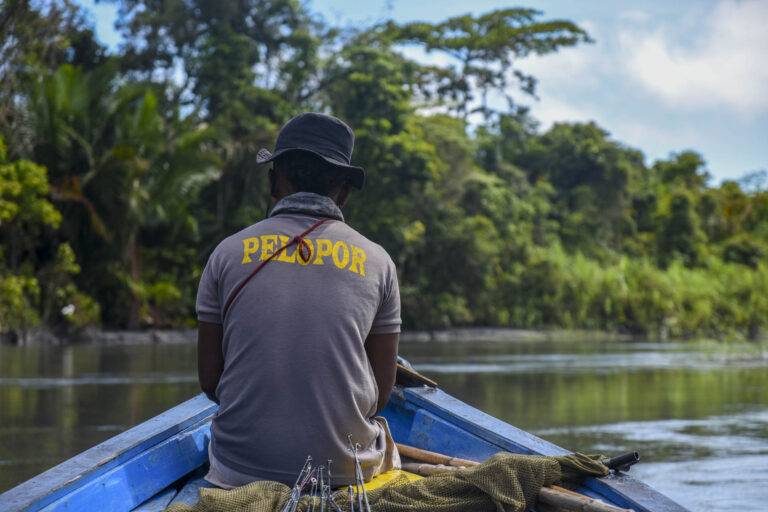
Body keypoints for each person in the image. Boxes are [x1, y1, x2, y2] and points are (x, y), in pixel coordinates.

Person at [195, 112, 401, 489]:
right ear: (344, 189)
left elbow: (211, 381)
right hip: (344, 470)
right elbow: (381, 394)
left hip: (239, 469)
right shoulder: (378, 261)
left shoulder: (226, 253)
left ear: (274, 181)